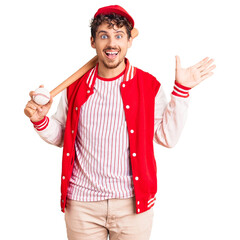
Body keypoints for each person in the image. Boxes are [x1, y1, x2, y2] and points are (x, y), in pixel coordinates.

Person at [24, 5, 216, 240]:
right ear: (93, 42)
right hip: (82, 206)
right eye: (104, 35)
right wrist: (40, 120)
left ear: (129, 41)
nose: (111, 43)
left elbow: (167, 137)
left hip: (131, 207)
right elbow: (63, 136)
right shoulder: (75, 88)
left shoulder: (148, 86)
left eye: (118, 36)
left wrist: (181, 91)